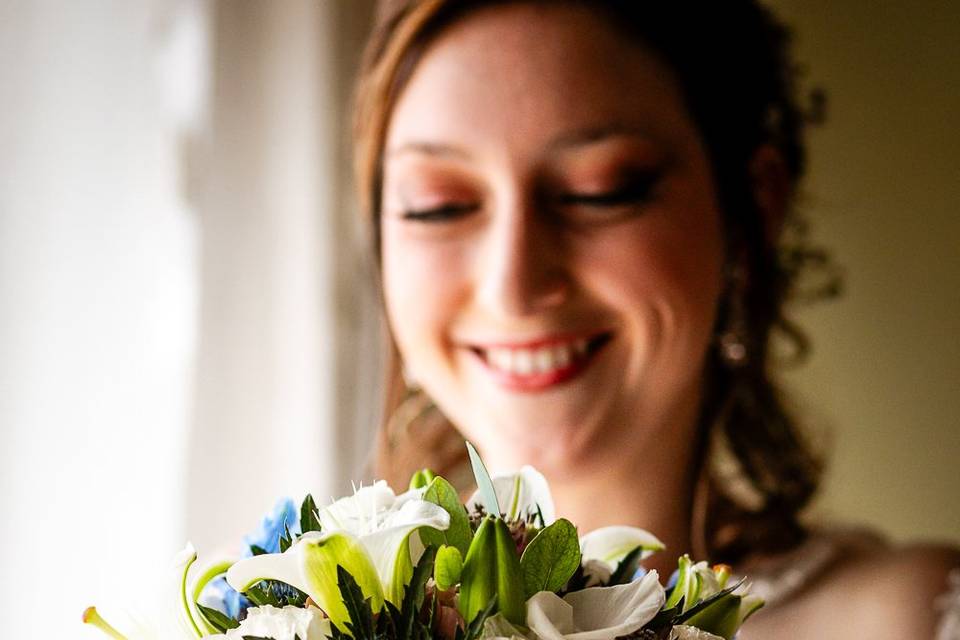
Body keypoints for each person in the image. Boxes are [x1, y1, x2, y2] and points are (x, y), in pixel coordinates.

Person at [351, 1, 960, 637]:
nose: (514, 287)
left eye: (600, 192)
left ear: (752, 211)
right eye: (438, 206)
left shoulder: (911, 620)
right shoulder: (265, 613)